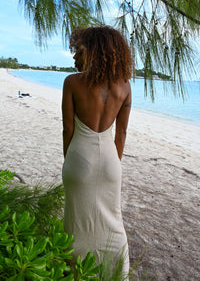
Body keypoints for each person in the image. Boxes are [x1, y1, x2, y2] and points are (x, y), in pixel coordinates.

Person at [62, 26, 133, 277]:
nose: (74, 57)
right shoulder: (125, 87)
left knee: (75, 222)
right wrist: (113, 164)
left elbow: (68, 129)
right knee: (113, 219)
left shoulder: (72, 82)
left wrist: (68, 161)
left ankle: (74, 271)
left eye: (78, 50)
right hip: (111, 163)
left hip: (79, 157)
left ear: (94, 50)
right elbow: (121, 134)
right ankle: (114, 272)